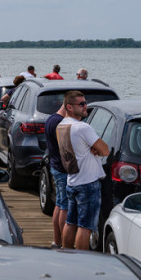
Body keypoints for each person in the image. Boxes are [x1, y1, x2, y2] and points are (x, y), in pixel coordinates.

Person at [57, 91, 109, 250]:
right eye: (81, 104)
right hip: (87, 183)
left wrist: (93, 148)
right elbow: (105, 150)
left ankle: (66, 253)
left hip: (72, 181)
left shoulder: (61, 126)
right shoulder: (83, 127)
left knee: (70, 223)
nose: (86, 106)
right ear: (69, 107)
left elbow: (80, 148)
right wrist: (96, 148)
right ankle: (82, 261)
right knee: (85, 227)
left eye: (85, 103)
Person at [44, 98, 69, 248]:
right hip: (62, 169)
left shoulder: (51, 119)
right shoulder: (61, 123)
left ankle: (57, 241)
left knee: (59, 204)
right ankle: (64, 244)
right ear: (68, 106)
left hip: (55, 166)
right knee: (64, 206)